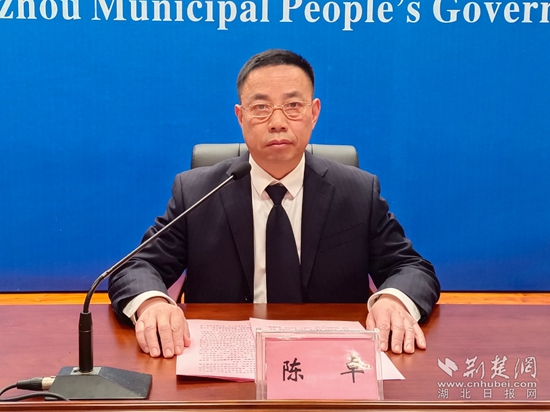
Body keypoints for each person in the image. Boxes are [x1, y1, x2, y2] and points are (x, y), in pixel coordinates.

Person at [108, 49, 440, 360]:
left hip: (331, 361)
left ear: (314, 113)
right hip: (227, 361)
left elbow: (411, 268)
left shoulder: (356, 192)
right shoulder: (198, 191)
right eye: (261, 107)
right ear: (240, 117)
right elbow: (136, 268)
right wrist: (152, 303)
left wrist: (393, 300)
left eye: (293, 106)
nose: (278, 122)